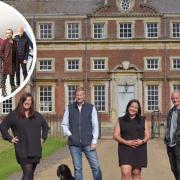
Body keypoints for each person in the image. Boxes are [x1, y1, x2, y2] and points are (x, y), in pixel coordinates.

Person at [0, 93, 49, 180]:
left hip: (35, 149)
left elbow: (45, 127)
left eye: (29, 100)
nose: (27, 102)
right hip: (22, 149)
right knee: (28, 172)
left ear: (32, 102)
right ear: (22, 101)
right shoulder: (14, 115)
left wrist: (43, 138)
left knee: (30, 174)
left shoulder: (36, 115)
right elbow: (3, 126)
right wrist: (10, 138)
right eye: (26, 100)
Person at [61, 86, 102, 180]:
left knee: (95, 167)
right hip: (74, 144)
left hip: (88, 143)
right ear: (75, 96)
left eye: (81, 95)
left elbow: (95, 125)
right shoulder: (69, 108)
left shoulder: (91, 108)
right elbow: (64, 124)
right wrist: (70, 135)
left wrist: (94, 141)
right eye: (77, 95)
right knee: (78, 168)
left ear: (84, 96)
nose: (79, 97)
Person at [113, 99, 150, 180]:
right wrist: (127, 142)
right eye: (131, 106)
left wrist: (142, 141)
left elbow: (147, 135)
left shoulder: (143, 119)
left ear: (138, 109)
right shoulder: (121, 120)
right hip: (124, 148)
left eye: (136, 108)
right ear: (128, 107)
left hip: (139, 148)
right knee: (125, 173)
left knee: (136, 173)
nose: (133, 109)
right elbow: (115, 135)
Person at [164, 91, 180, 180]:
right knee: (173, 168)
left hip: (178, 144)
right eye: (173, 98)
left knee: (179, 167)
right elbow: (169, 127)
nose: (175, 100)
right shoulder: (171, 111)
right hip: (170, 144)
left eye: (177, 98)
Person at [0, 29, 18, 96]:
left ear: (12, 34)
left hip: (13, 63)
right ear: (6, 34)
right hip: (6, 63)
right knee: (3, 78)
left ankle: (13, 89)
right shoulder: (4, 42)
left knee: (12, 77)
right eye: (7, 33)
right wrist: (5, 59)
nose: (8, 34)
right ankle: (3, 91)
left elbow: (16, 51)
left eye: (10, 33)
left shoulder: (15, 42)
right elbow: (1, 51)